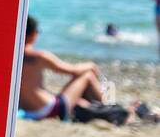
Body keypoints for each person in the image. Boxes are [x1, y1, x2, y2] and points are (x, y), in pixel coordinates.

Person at [19, 16, 151, 124]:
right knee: (87, 75)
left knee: (83, 97)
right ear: (33, 34)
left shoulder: (12, 56)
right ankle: (112, 108)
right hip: (47, 110)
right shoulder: (39, 56)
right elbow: (72, 71)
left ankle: (108, 107)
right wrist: (90, 65)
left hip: (28, 109)